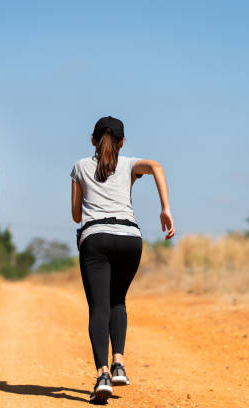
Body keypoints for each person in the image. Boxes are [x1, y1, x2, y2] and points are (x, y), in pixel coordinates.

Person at [71, 116, 175, 404]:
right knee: (118, 300)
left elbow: (77, 215)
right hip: (130, 239)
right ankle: (119, 363)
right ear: (123, 142)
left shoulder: (80, 166)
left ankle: (103, 374)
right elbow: (156, 167)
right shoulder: (129, 164)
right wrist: (165, 209)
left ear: (93, 139)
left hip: (96, 238)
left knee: (99, 307)